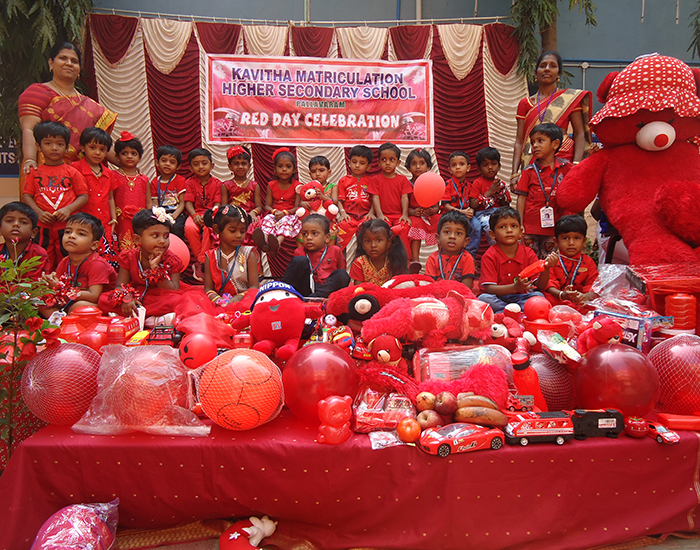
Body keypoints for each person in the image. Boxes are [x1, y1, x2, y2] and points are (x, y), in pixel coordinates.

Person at [18, 42, 117, 172]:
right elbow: (29, 130)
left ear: (79, 69)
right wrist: (30, 160)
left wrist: (127, 162)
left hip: (82, 175)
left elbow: (100, 143)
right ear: (51, 63)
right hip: (45, 172)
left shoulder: (90, 106)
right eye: (63, 58)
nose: (69, 63)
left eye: (74, 61)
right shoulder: (37, 92)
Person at [511, 50, 591, 188]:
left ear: (558, 74)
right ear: (536, 73)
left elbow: (579, 134)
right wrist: (514, 174)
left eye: (553, 66)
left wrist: (576, 165)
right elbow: (519, 141)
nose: (547, 69)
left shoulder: (569, 99)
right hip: (533, 159)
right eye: (543, 65)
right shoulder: (525, 104)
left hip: (563, 159)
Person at [22, 121, 88, 270]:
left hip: (67, 227)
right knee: (41, 258)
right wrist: (39, 213)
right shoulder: (34, 173)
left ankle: (66, 283)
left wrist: (68, 209)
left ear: (66, 147)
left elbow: (83, 196)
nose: (54, 148)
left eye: (59, 144)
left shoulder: (73, 172)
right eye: (48, 143)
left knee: (68, 258)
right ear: (38, 146)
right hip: (42, 226)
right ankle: (43, 283)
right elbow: (27, 196)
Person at [100, 208, 183, 319]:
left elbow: (173, 290)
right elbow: (120, 285)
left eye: (166, 236)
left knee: (177, 301)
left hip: (160, 297)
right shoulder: (129, 257)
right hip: (136, 295)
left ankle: (144, 317)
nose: (162, 241)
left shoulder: (172, 260)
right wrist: (127, 298)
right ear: (137, 239)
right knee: (104, 299)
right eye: (155, 236)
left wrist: (156, 269)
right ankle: (150, 318)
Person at [478, 206, 557, 313]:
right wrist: (515, 287)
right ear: (492, 234)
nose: (509, 230)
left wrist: (546, 268)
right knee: (483, 299)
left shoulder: (528, 253)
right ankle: (514, 311)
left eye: (514, 226)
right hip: (498, 298)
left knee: (539, 296)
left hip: (521, 297)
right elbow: (490, 289)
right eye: (502, 227)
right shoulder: (489, 255)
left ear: (520, 232)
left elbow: (539, 286)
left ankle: (508, 312)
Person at [514, 123, 573, 259]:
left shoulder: (566, 168)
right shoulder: (528, 171)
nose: (535, 145)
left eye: (540, 141)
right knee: (530, 261)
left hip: (556, 228)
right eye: (532, 142)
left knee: (550, 263)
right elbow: (521, 198)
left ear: (555, 144)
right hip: (530, 228)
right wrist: (520, 224)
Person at [41, 213, 116, 316]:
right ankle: (60, 321)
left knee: (79, 306)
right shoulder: (65, 262)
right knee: (40, 300)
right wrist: (50, 283)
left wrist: (61, 288)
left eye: (81, 234)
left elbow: (94, 296)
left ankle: (66, 321)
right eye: (68, 232)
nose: (71, 236)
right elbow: (59, 289)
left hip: (97, 305)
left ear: (94, 245)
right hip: (72, 301)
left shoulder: (97, 264)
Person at [72, 127, 120, 267]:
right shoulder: (74, 169)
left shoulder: (109, 173)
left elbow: (110, 198)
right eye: (92, 147)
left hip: (104, 221)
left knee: (104, 259)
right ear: (83, 147)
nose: (97, 153)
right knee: (82, 253)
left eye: (102, 149)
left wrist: (114, 218)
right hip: (82, 220)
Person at [203, 204, 259, 305]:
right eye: (233, 231)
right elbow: (208, 288)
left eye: (243, 231)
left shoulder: (249, 254)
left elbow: (254, 287)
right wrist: (219, 300)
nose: (239, 235)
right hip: (217, 304)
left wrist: (238, 299)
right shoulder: (210, 256)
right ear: (217, 229)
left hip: (244, 302)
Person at [283, 214, 350, 298]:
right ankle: (284, 295)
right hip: (305, 291)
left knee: (342, 274)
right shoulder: (299, 252)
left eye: (314, 233)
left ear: (327, 238)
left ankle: (316, 297)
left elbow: (341, 273)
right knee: (299, 260)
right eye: (305, 234)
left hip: (327, 290)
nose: (308, 238)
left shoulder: (335, 250)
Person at [253, 147, 302, 256]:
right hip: (275, 214)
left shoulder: (297, 186)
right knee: (268, 220)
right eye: (280, 166)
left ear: (294, 169)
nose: (284, 169)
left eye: (288, 166)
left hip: (290, 215)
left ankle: (277, 244)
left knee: (285, 222)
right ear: (275, 169)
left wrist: (285, 213)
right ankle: (265, 241)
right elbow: (267, 206)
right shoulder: (271, 185)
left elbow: (297, 207)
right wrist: (274, 212)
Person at [367, 142, 412, 257]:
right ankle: (384, 258)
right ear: (378, 162)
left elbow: (404, 197)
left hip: (399, 216)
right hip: (384, 216)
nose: (387, 163)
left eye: (391, 160)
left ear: (398, 162)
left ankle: (405, 259)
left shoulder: (402, 180)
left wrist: (405, 214)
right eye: (384, 160)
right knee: (382, 230)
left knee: (403, 229)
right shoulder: (376, 179)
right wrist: (380, 215)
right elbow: (375, 198)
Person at [184, 148, 222, 280]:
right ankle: (200, 262)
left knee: (208, 229)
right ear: (190, 168)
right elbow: (188, 203)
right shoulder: (189, 182)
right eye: (196, 164)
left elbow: (218, 204)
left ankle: (202, 261)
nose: (201, 166)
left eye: (204, 163)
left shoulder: (218, 183)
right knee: (189, 228)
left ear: (212, 165)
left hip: (212, 215)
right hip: (195, 214)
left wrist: (209, 216)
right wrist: (194, 216)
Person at [545, 215, 598, 310]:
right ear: (556, 241)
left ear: (584, 241)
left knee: (596, 301)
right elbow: (549, 285)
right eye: (565, 238)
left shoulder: (589, 262)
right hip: (558, 300)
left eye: (577, 238)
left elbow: (593, 286)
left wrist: (584, 297)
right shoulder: (552, 260)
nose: (571, 243)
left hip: (580, 303)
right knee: (543, 298)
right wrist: (562, 295)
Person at [469, 147, 512, 256]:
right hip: (483, 214)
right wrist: (489, 192)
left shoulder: (500, 183)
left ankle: (508, 249)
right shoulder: (477, 183)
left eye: (493, 164)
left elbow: (506, 204)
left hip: (499, 213)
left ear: (499, 166)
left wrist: (501, 195)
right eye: (485, 165)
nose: (490, 167)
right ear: (479, 169)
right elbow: (473, 204)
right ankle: (497, 251)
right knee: (490, 226)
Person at [113, 132, 150, 251]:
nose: (129, 156)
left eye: (134, 153)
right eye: (124, 153)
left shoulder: (144, 179)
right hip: (119, 220)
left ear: (140, 157)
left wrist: (149, 220)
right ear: (117, 156)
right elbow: (110, 199)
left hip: (139, 220)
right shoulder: (113, 176)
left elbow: (148, 202)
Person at [441, 151, 480, 259]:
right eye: (454, 165)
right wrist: (461, 212)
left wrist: (471, 210)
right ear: (449, 170)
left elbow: (472, 203)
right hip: (450, 215)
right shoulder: (447, 185)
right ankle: (446, 255)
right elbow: (446, 206)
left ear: (468, 168)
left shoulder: (470, 186)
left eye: (461, 164)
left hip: (466, 215)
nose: (458, 167)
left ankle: (470, 256)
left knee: (476, 225)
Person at [336, 145, 374, 251]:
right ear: (349, 163)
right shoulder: (343, 181)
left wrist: (371, 213)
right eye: (354, 162)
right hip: (348, 216)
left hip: (366, 216)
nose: (357, 165)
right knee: (340, 228)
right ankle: (339, 257)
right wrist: (343, 213)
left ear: (369, 166)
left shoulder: (371, 181)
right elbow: (339, 200)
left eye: (362, 163)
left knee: (373, 230)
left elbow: (374, 200)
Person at [406, 148, 440, 265]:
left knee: (440, 221)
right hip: (414, 215)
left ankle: (442, 256)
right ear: (408, 168)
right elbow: (403, 207)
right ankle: (415, 260)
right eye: (414, 164)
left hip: (429, 216)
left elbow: (436, 207)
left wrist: (431, 211)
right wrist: (413, 212)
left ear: (428, 167)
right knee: (416, 224)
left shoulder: (432, 184)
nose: (418, 167)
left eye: (422, 163)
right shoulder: (407, 185)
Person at [425, 210, 475, 288]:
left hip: (460, 294)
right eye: (447, 232)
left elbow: (466, 288)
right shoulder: (432, 259)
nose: (452, 236)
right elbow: (429, 286)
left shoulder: (467, 258)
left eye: (458, 233)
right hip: (436, 294)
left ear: (466, 241)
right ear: (438, 238)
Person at [350, 219, 407, 285]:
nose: (373, 245)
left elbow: (398, 285)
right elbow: (358, 288)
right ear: (363, 245)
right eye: (368, 241)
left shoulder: (395, 261)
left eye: (379, 240)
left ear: (388, 243)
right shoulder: (359, 263)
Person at [0, 202, 48, 278]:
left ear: (33, 232)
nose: (16, 224)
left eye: (24, 222)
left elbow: (33, 283)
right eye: (9, 221)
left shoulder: (38, 253)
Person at [150, 145, 187, 240]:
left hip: (177, 212)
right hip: (161, 213)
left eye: (172, 162)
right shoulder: (154, 182)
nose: (167, 164)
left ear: (178, 166)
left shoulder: (180, 180)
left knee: (176, 228)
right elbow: (155, 203)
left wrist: (174, 216)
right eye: (164, 160)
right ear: (157, 162)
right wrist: (159, 214)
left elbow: (182, 203)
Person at [221, 145, 262, 227]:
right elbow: (224, 207)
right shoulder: (226, 185)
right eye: (236, 164)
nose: (240, 167)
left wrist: (253, 213)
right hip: (232, 216)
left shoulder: (254, 185)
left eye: (244, 163)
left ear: (249, 166)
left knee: (257, 224)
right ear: (230, 167)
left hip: (249, 216)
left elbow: (259, 207)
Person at [305, 155, 339, 246]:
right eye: (314, 171)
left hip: (328, 219)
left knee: (332, 230)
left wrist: (323, 198)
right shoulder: (308, 187)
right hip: (312, 219)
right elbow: (301, 201)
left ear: (329, 172)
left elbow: (335, 201)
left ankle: (330, 251)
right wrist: (303, 203)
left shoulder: (332, 186)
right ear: (310, 174)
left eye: (321, 170)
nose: (317, 174)